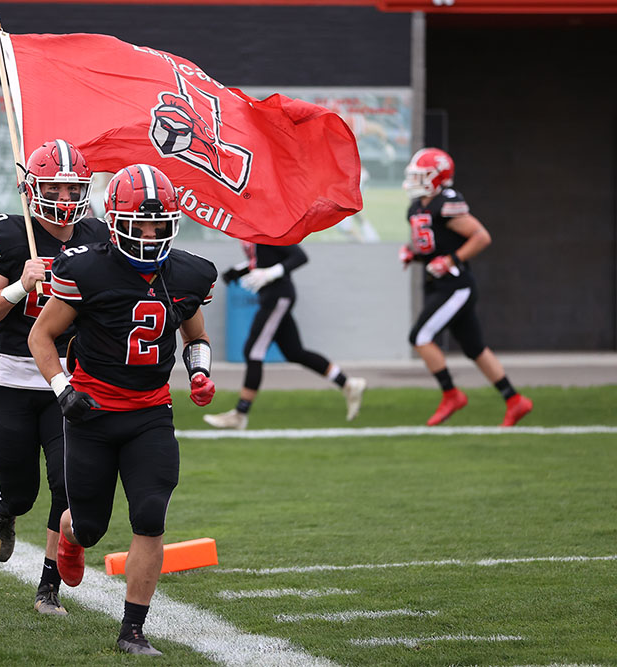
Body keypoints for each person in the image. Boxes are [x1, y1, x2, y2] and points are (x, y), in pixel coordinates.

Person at [28, 164, 218, 656]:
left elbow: (195, 336)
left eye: (161, 225)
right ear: (113, 221)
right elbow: (41, 335)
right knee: (87, 525)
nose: (152, 235)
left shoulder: (188, 272)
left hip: (150, 412)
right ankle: (70, 537)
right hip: (90, 411)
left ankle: (131, 631)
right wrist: (61, 389)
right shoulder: (85, 268)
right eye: (142, 224)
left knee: (151, 514)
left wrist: (199, 371)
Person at [0, 140, 109, 616]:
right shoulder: (7, 236)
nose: (66, 197)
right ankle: (4, 506)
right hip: (11, 377)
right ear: (32, 188)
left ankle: (48, 587)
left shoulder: (98, 235)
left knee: (66, 482)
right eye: (56, 186)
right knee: (21, 492)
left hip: (67, 379)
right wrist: (19, 285)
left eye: (74, 187)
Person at [400, 147, 533, 426]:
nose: (415, 180)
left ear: (438, 177)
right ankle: (514, 400)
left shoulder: (446, 202)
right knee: (475, 348)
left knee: (420, 336)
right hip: (440, 285)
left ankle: (451, 394)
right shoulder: (417, 206)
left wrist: (452, 260)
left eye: (422, 175)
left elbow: (481, 236)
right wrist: (414, 256)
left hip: (456, 285)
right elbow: (435, 246)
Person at [203, 242, 367, 430]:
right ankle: (348, 384)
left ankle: (240, 414)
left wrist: (271, 273)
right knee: (294, 352)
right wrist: (240, 270)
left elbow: (299, 256)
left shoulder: (268, 229)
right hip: (273, 295)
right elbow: (263, 259)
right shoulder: (253, 230)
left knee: (254, 351)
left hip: (277, 296)